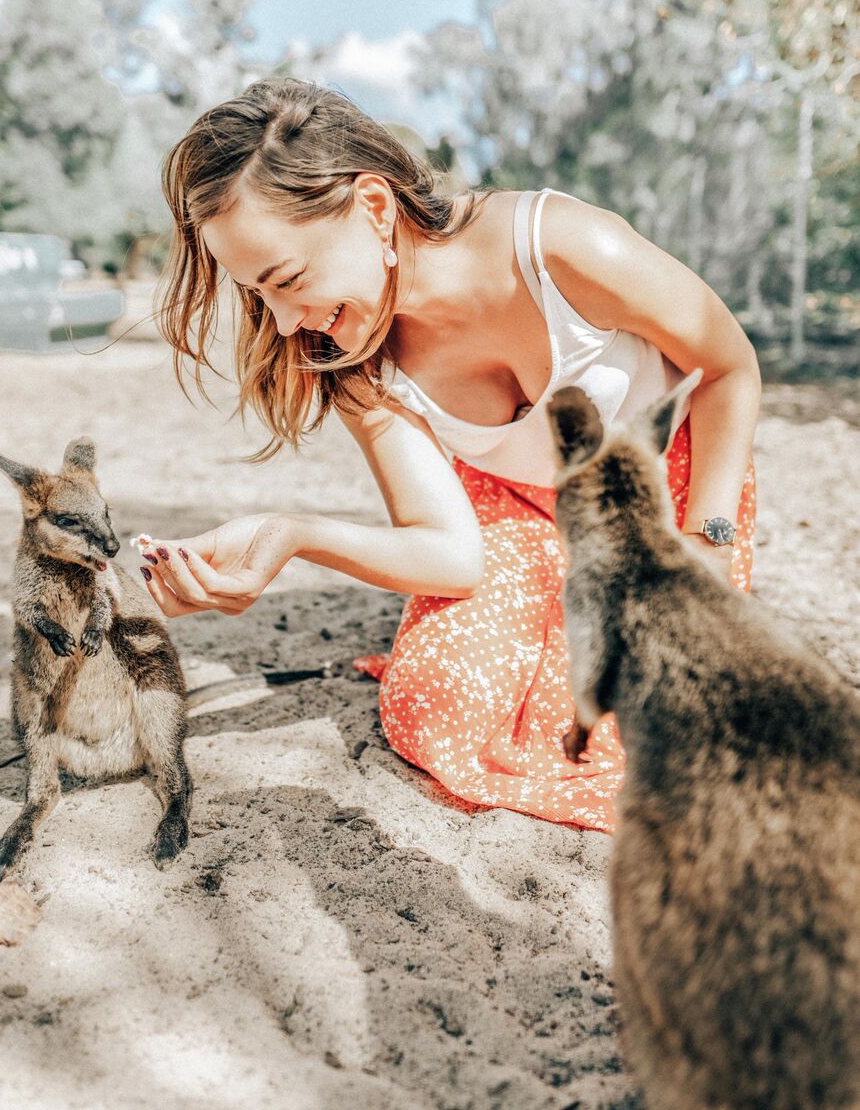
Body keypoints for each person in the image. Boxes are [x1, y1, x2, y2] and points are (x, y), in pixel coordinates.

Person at [142, 77, 759, 833]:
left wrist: (709, 546)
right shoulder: (348, 356)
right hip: (511, 508)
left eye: (289, 279)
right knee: (433, 706)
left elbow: (730, 369)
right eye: (256, 294)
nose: (283, 320)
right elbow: (452, 552)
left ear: (373, 207)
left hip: (666, 498)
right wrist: (292, 535)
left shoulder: (559, 246)